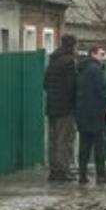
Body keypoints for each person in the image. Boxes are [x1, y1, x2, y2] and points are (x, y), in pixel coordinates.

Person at [75, 45, 106, 185]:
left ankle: (82, 175)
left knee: (84, 145)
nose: (103, 57)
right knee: (100, 145)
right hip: (96, 113)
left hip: (82, 112)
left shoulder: (82, 69)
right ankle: (101, 176)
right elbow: (101, 90)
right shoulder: (96, 70)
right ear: (93, 54)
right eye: (101, 54)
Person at [42, 33, 78, 181]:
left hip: (52, 106)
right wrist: (74, 102)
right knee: (65, 139)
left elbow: (45, 83)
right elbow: (72, 86)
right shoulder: (69, 61)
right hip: (65, 107)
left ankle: (54, 170)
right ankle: (63, 171)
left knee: (54, 139)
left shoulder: (53, 60)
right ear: (72, 45)